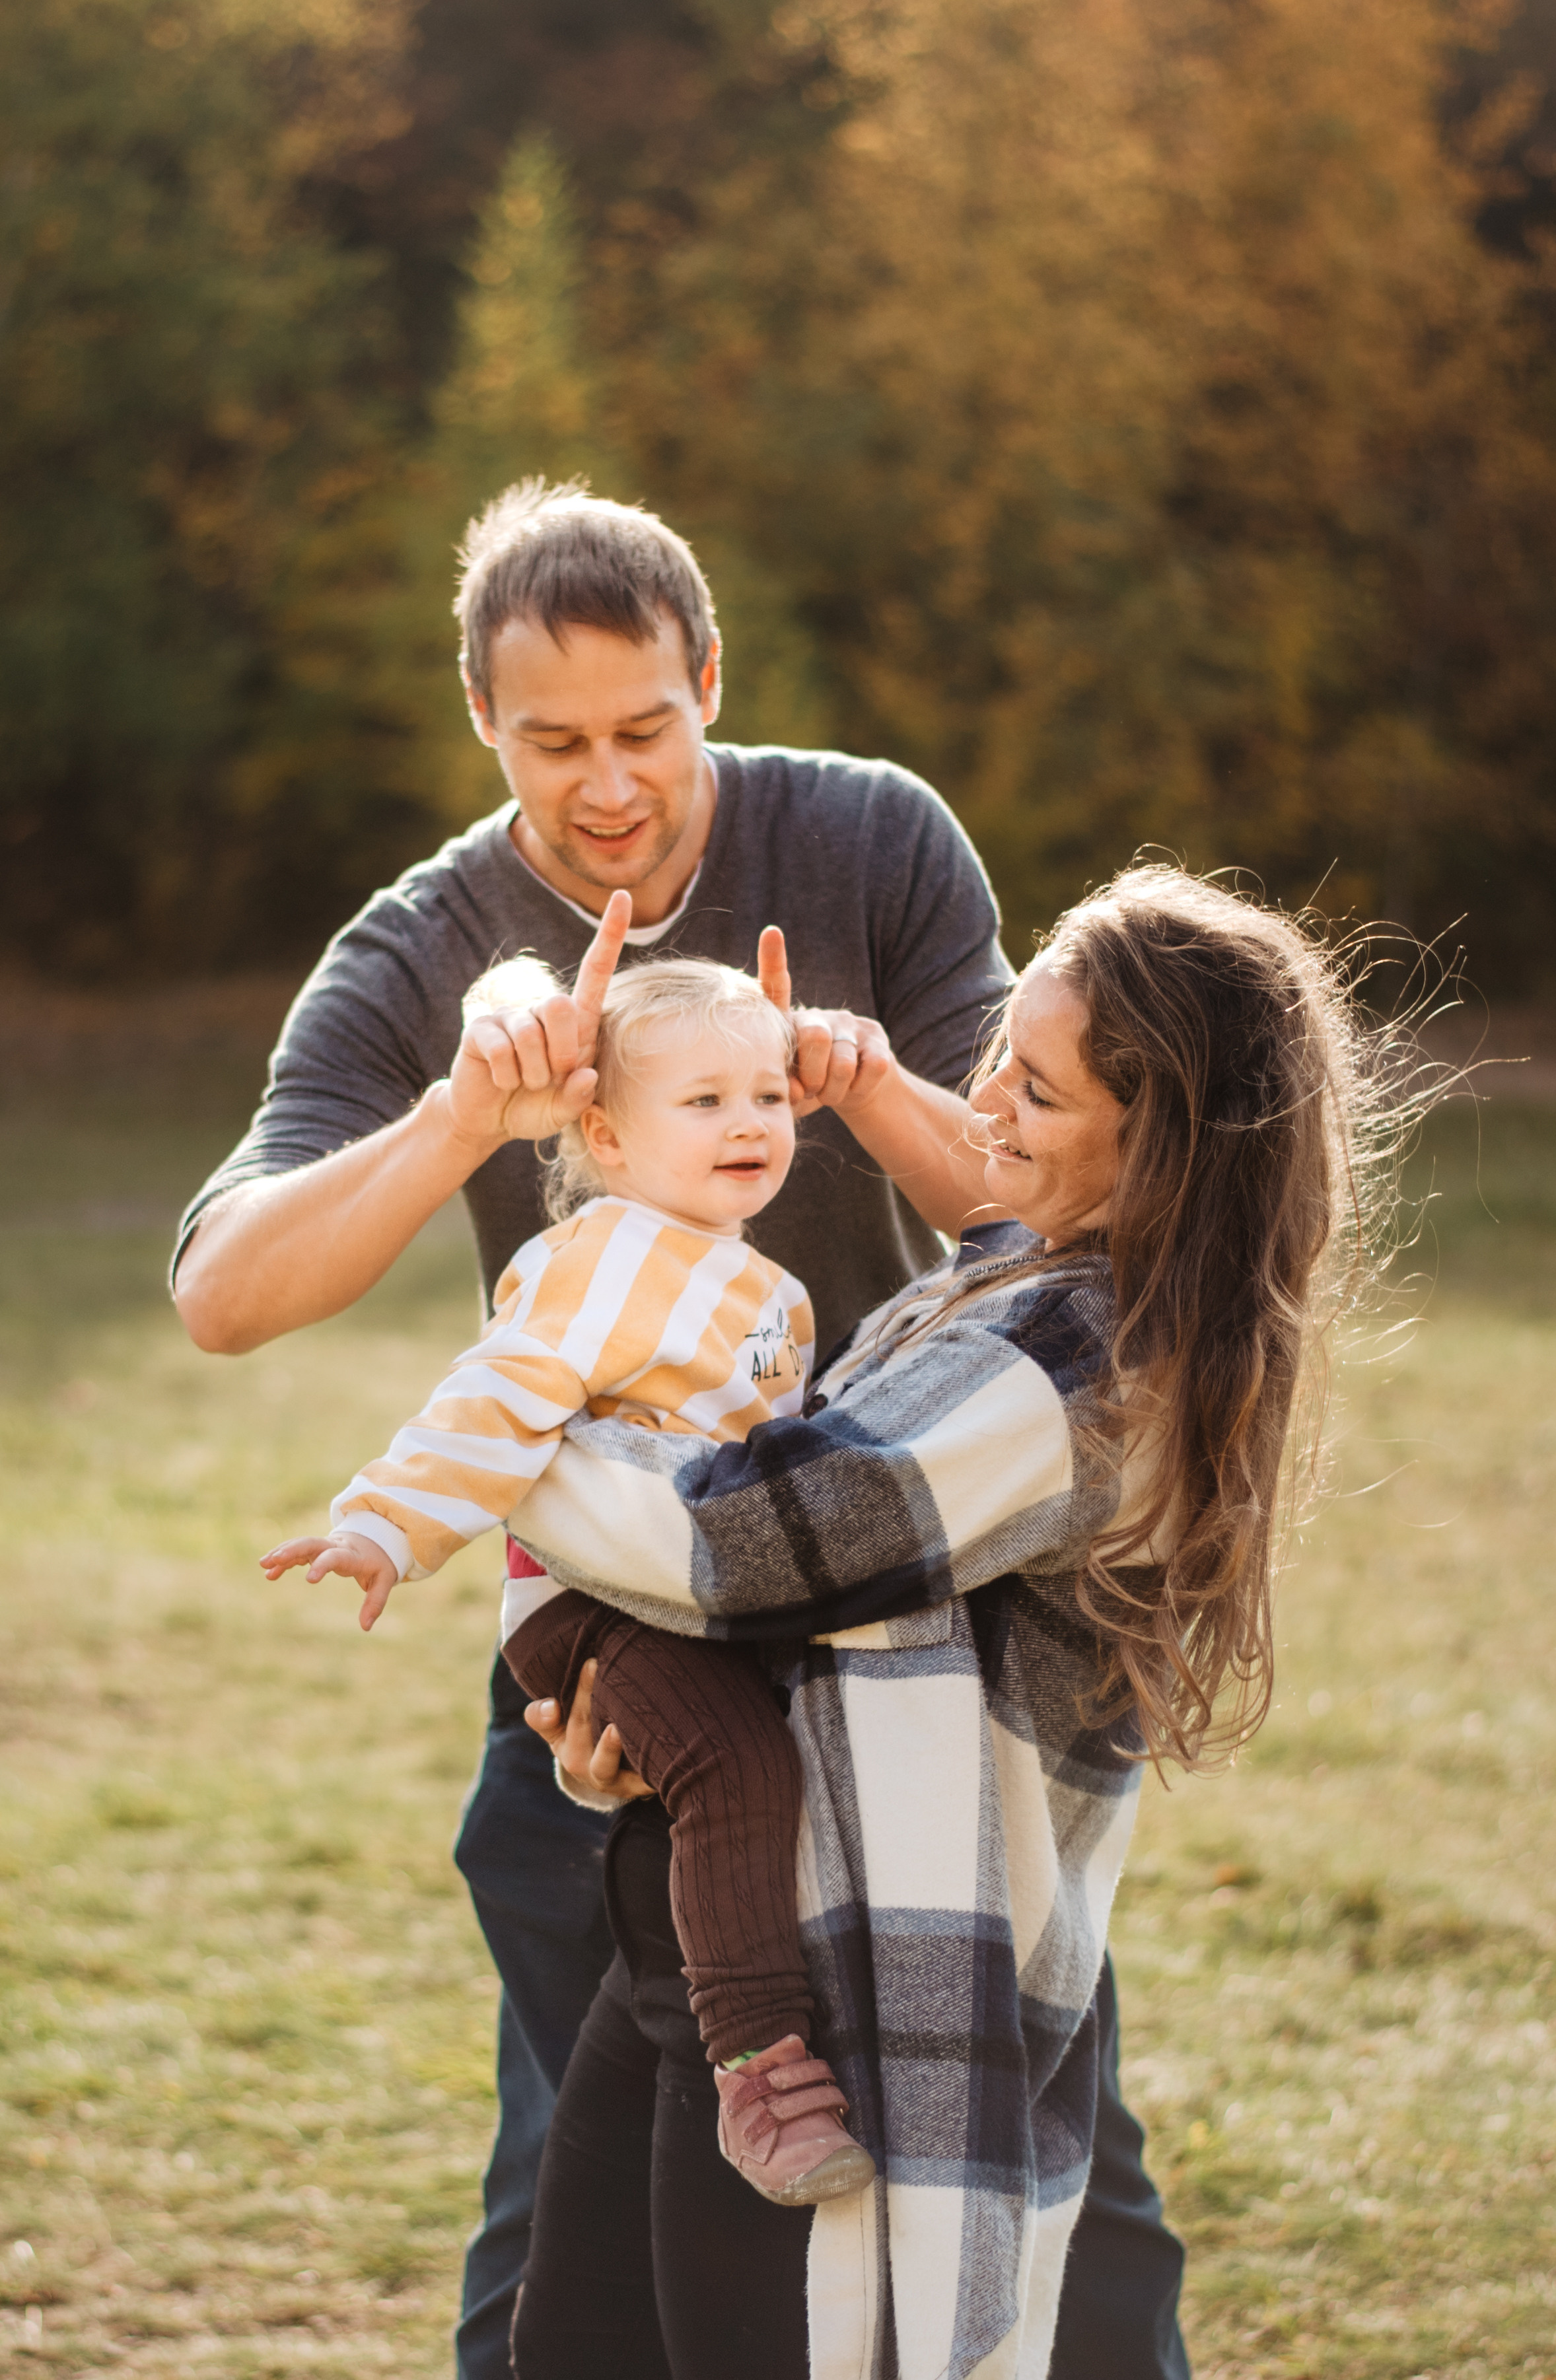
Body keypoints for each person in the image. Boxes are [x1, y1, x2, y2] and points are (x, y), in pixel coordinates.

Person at [171, 478, 1190, 2378]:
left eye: (645, 727)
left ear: (709, 678)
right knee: (567, 2180)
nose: (609, 783)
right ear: (480, 716)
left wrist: (859, 1085)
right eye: (552, 741)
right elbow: (223, 1292)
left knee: (1062, 2160)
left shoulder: (871, 836)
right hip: (625, 1632)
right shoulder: (427, 938)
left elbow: (1048, 1190)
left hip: (900, 1618)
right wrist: (463, 1118)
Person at [507, 861, 1388, 2380]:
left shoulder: (1079, 1359)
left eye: (1036, 1089)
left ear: (1162, 1138)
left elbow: (731, 1543)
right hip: (717, 1955)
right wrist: (640, 1733)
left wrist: (491, 1434)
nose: (984, 1102)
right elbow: (785, 1622)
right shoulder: (1010, 1275)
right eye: (1001, 1054)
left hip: (844, 2011)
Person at [258, 954, 875, 2204]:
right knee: (739, 1769)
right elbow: (496, 1396)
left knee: (793, 1769)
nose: (749, 1122)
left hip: (699, 1590)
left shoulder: (768, 1286)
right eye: (703, 1101)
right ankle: (758, 2069)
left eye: (766, 1095)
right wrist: (386, 1524)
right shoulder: (603, 1257)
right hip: (595, 1599)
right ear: (606, 1136)